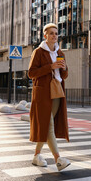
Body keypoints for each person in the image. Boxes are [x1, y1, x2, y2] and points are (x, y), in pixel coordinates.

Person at [28, 23, 70, 171]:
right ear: (45, 35)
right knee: (49, 124)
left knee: (47, 125)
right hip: (43, 93)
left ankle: (36, 156)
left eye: (56, 33)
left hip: (57, 92)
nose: (54, 36)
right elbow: (31, 73)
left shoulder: (60, 53)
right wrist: (50, 67)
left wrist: (63, 68)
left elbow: (64, 75)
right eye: (51, 33)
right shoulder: (39, 52)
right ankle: (58, 159)